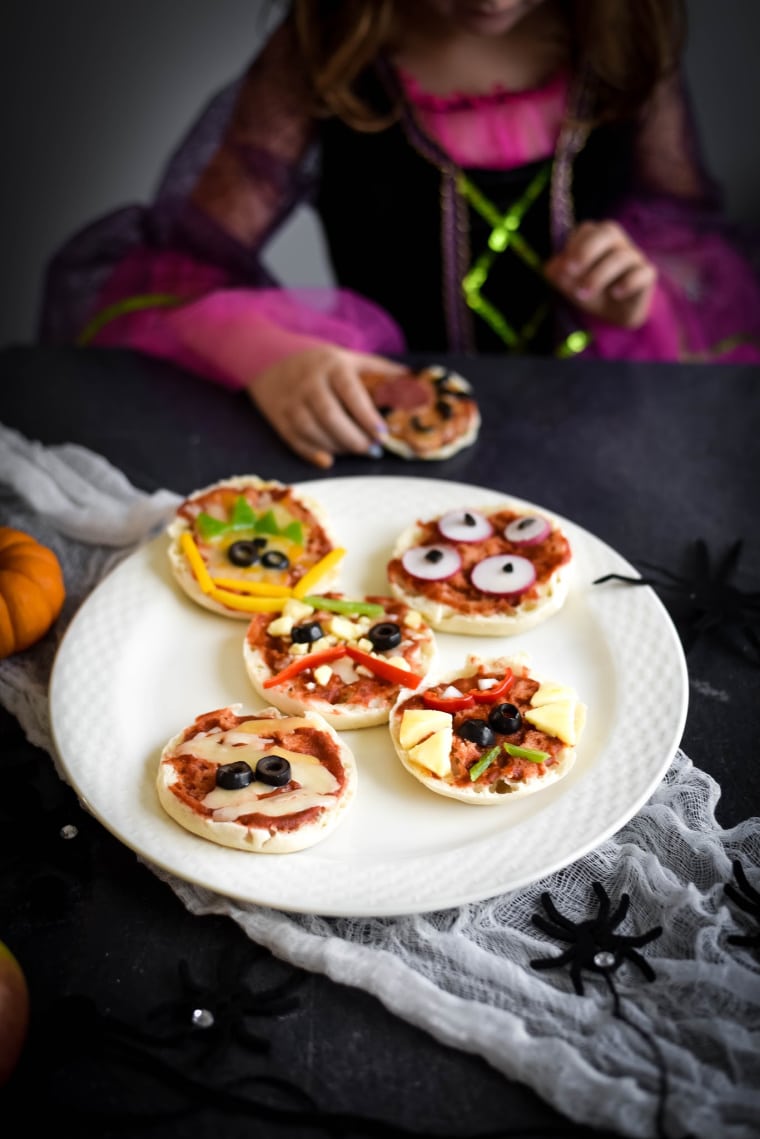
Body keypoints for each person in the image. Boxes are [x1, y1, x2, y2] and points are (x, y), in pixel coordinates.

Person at [40, 0, 760, 468]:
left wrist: (639, 293)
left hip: (595, 442)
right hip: (385, 450)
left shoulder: (627, 39)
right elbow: (173, 272)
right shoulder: (325, 52)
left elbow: (687, 242)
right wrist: (266, 352)